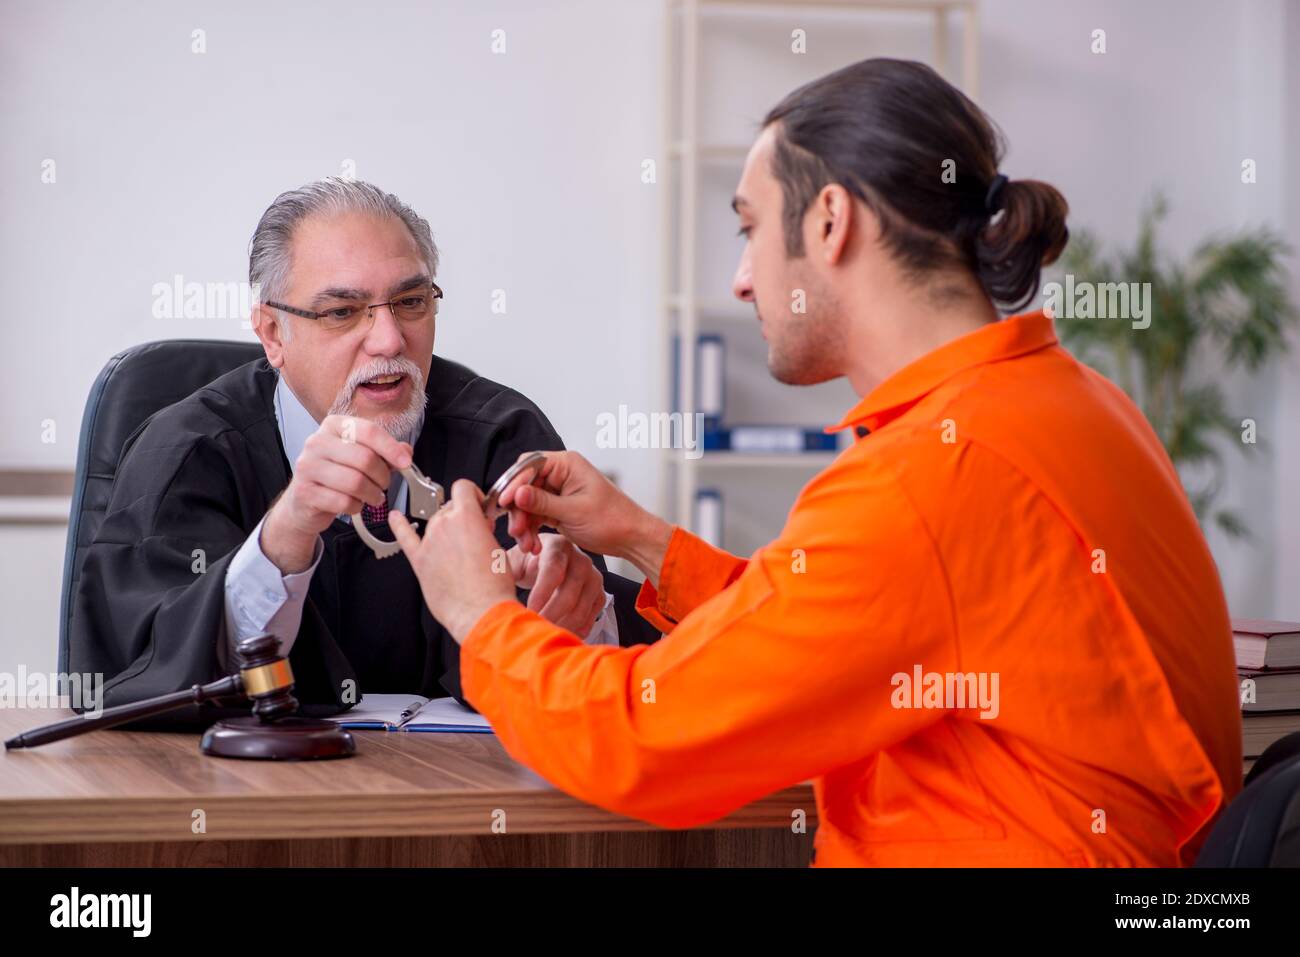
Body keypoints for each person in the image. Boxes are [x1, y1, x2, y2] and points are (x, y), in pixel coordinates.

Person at [384, 59, 1242, 866]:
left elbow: (646, 741)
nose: (741, 281)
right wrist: (642, 537)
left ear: (832, 221)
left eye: (751, 229)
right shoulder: (1069, 402)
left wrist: (482, 615)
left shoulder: (924, 478)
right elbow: (838, 631)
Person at [69, 178, 659, 728]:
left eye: (410, 302)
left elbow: (563, 667)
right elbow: (142, 673)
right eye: (341, 312)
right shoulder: (187, 452)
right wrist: (287, 532)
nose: (388, 340)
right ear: (273, 334)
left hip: (458, 808)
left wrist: (579, 622)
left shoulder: (501, 435)